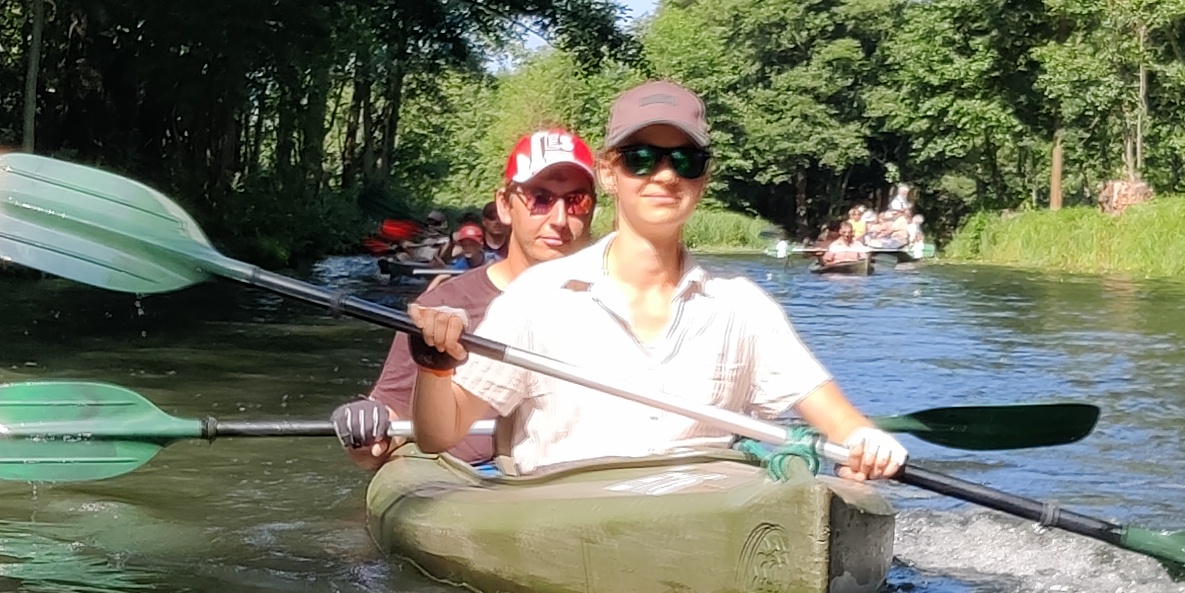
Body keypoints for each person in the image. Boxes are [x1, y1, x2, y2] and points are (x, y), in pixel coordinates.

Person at [405, 81, 908, 481]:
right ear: (609, 173)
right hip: (565, 516)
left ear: (703, 180)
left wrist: (865, 442)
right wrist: (435, 367)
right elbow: (438, 435)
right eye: (641, 159)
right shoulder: (536, 297)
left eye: (685, 161)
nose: (665, 176)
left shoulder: (743, 305)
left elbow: (839, 421)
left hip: (700, 520)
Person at [331, 128, 604, 462]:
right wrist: (366, 425)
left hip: (574, 478)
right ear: (504, 205)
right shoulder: (436, 308)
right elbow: (377, 445)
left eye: (577, 201)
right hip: (467, 480)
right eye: (540, 199)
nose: (559, 219)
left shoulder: (619, 303)